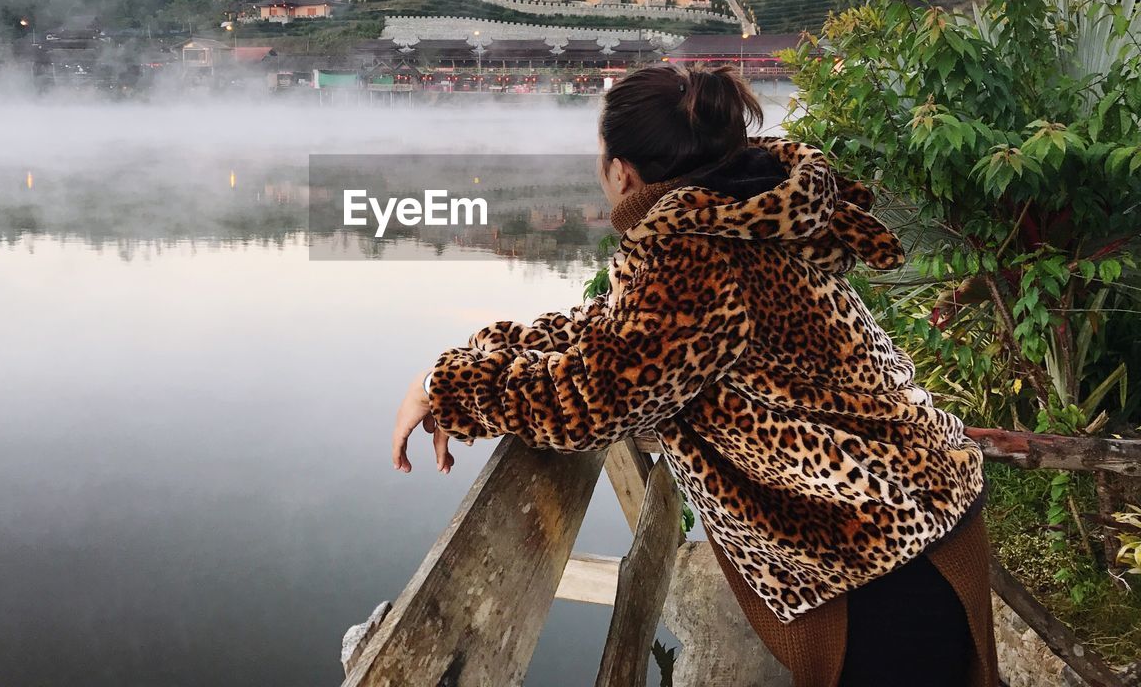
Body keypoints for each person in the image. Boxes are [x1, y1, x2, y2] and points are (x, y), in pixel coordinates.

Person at [391, 64, 998, 687]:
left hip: (876, 566)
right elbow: (618, 329)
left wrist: (447, 387)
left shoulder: (689, 253)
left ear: (620, 170)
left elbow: (593, 400)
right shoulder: (745, 208)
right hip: (917, 520)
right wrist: (486, 349)